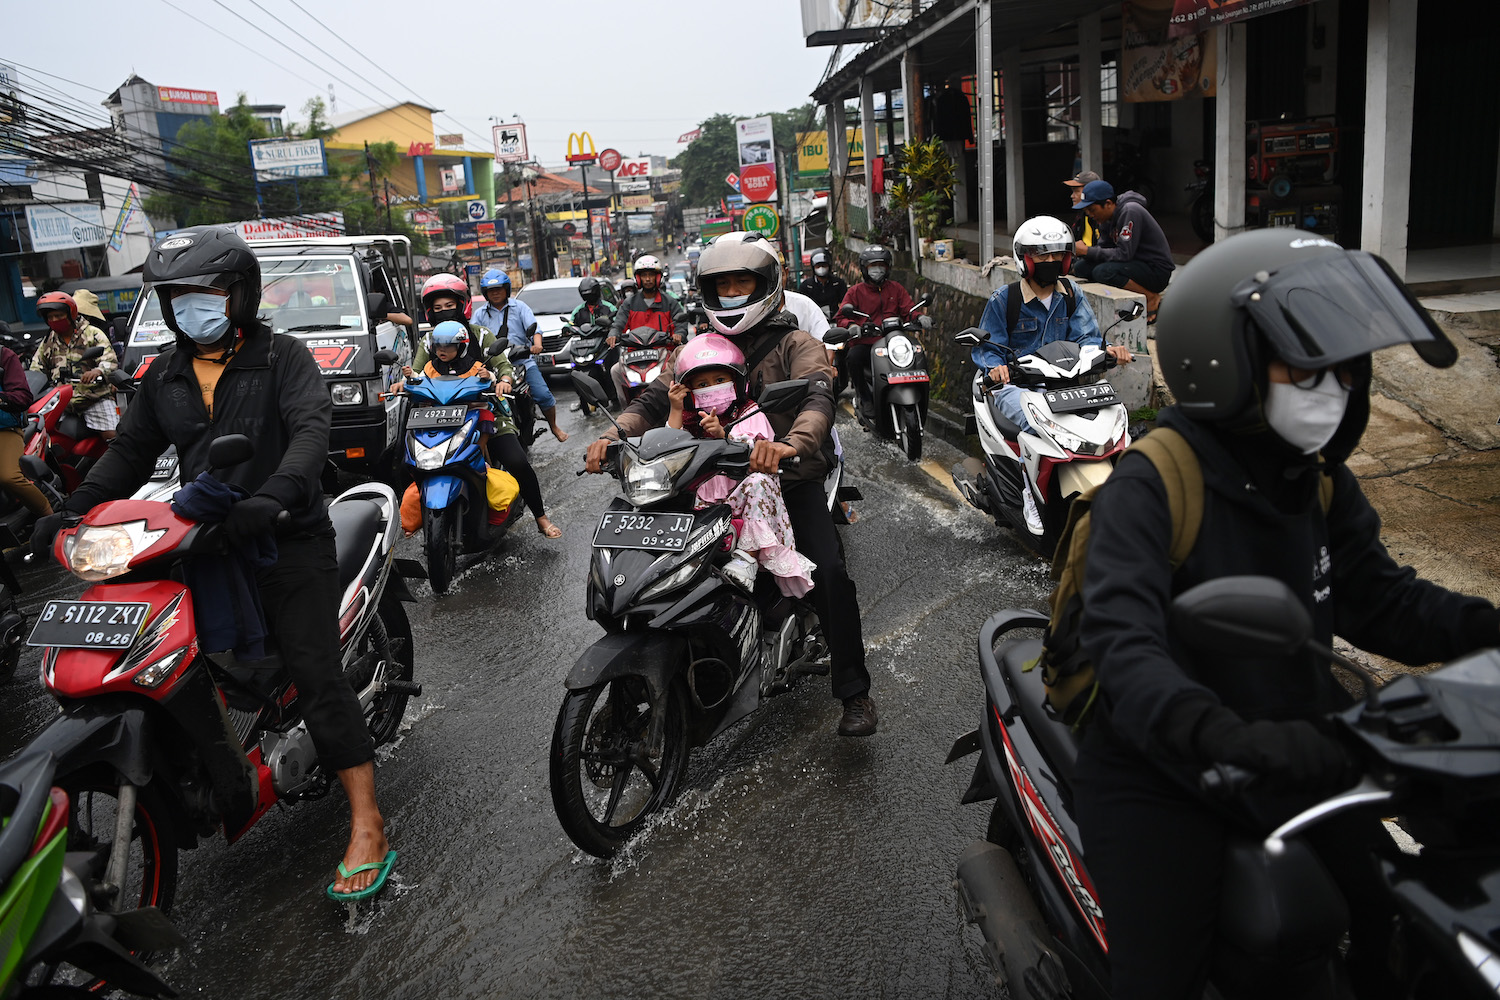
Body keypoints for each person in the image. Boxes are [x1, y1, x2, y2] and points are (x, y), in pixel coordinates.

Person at [1073, 229, 1497, 1000]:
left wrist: (1486, 626)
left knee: (1391, 924)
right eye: (1304, 367)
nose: (1330, 388)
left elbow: (1383, 599)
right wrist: (1221, 734)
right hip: (1168, 770)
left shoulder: (1316, 478)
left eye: (1343, 369)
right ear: (1222, 360)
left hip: (1302, 749)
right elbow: (1124, 646)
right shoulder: (1156, 481)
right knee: (1160, 979)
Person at [32, 227, 393, 899]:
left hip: (288, 536)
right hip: (208, 539)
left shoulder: (283, 357)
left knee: (316, 675)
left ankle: (367, 822)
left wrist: (277, 495)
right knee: (178, 655)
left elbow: (311, 431)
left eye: (205, 293)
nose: (191, 307)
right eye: (177, 297)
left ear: (241, 295)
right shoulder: (164, 373)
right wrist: (73, 507)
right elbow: (130, 454)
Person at [586, 232, 877, 737]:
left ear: (766, 285)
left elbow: (817, 398)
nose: (733, 294)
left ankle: (854, 692)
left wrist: (790, 445)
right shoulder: (696, 345)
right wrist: (612, 436)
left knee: (828, 571)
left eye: (743, 282)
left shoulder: (795, 344)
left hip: (782, 481)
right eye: (723, 285)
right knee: (651, 561)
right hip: (699, 479)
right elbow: (653, 401)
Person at [971, 216, 1131, 534]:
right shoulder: (1005, 300)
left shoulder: (1070, 295)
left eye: (1057, 254)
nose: (1051, 261)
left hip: (1064, 384)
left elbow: (1087, 337)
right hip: (1015, 386)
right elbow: (988, 349)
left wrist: (1109, 350)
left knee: (1111, 420)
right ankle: (1029, 494)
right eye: (1042, 255)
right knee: (1035, 425)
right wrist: (996, 368)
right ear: (1025, 259)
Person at [667, 334, 816, 599]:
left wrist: (723, 436)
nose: (711, 387)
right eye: (702, 384)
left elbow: (759, 449)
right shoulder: (690, 420)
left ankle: (746, 559)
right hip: (704, 505)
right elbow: (668, 447)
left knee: (760, 481)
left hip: (744, 500)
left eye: (719, 380)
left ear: (737, 382)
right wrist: (676, 408)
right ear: (689, 390)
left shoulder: (749, 412)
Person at [415, 274, 561, 539]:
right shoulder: (427, 342)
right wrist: (403, 384)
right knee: (412, 462)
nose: (444, 312)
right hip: (438, 416)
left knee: (517, 461)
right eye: (437, 308)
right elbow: (416, 373)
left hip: (486, 412)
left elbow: (503, 366)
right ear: (429, 312)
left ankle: (540, 516)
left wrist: (504, 380)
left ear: (462, 306)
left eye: (449, 305)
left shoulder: (481, 335)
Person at [471, 268, 568, 443]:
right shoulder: (479, 315)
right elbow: (473, 338)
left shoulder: (520, 307)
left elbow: (534, 329)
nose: (495, 293)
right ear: (485, 293)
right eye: (491, 290)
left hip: (522, 360)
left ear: (506, 289)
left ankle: (554, 427)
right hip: (493, 364)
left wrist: (537, 345)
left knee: (543, 394)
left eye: (499, 289)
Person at [834, 244, 920, 424]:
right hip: (866, 343)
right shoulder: (855, 292)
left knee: (917, 353)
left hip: (894, 342)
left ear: (888, 267)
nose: (877, 270)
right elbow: (841, 315)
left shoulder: (896, 289)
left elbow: (908, 309)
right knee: (853, 358)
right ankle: (865, 398)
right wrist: (851, 325)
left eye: (881, 265)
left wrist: (919, 317)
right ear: (865, 269)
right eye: (873, 266)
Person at [1072, 179, 1174, 322]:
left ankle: (1151, 297)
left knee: (1103, 272)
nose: (1089, 214)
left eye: (1092, 210)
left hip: (1155, 270)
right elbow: (1104, 248)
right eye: (1086, 211)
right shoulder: (1106, 219)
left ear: (1107, 204)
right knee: (1081, 268)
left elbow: (1124, 254)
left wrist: (1087, 251)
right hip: (1133, 264)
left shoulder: (1130, 211)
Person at [396, 321, 500, 460]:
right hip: (435, 412)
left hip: (469, 410)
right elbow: (419, 379)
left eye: (448, 345)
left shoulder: (475, 367)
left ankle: (477, 455)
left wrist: (488, 376)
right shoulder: (430, 367)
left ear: (462, 346)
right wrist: (409, 376)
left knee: (486, 417)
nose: (442, 350)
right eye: (438, 346)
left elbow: (490, 379)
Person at [31, 291, 119, 441]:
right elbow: (36, 368)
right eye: (50, 317)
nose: (54, 320)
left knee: (113, 438)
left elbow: (109, 359)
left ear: (70, 314)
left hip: (93, 398)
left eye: (59, 316)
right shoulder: (49, 340)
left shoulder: (92, 333)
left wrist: (97, 371)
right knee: (40, 436)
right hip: (61, 402)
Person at [0, 340, 47, 517]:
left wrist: (1, 399)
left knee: (9, 476)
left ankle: (47, 513)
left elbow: (22, 396)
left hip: (4, 428)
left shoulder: (4, 356)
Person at [610, 254, 687, 346]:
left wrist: (679, 334)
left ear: (658, 278)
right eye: (644, 275)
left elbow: (680, 324)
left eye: (651, 275)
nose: (647, 279)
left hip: (664, 353)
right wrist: (613, 334)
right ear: (638, 279)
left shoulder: (670, 302)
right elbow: (619, 324)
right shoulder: (629, 304)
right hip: (634, 354)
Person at [569, 277, 618, 411]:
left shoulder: (608, 307)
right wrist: (567, 329)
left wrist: (611, 328)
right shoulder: (578, 310)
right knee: (575, 370)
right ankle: (582, 398)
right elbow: (571, 324)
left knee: (611, 369)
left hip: (606, 345)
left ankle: (615, 397)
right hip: (585, 346)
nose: (588, 297)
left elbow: (617, 322)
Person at [1061, 170, 1104, 262]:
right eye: (1072, 191)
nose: (1072, 196)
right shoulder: (1081, 214)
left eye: (1076, 191)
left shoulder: (1102, 216)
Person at [797, 249, 847, 314]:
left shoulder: (839, 283)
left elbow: (845, 302)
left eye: (824, 265)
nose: (821, 268)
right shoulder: (806, 286)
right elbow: (802, 307)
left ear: (829, 266)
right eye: (818, 266)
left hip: (836, 320)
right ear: (813, 267)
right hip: (814, 321)